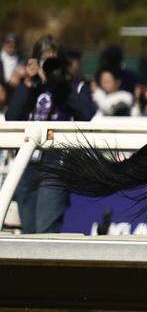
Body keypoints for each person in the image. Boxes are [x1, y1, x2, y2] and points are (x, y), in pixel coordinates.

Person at [7, 36, 96, 233]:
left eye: (53, 61)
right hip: (27, 163)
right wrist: (28, 83)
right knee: (28, 233)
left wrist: (58, 83)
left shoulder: (74, 86)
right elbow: (11, 116)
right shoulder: (32, 86)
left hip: (56, 164)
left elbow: (87, 114)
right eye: (43, 61)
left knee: (45, 231)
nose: (48, 66)